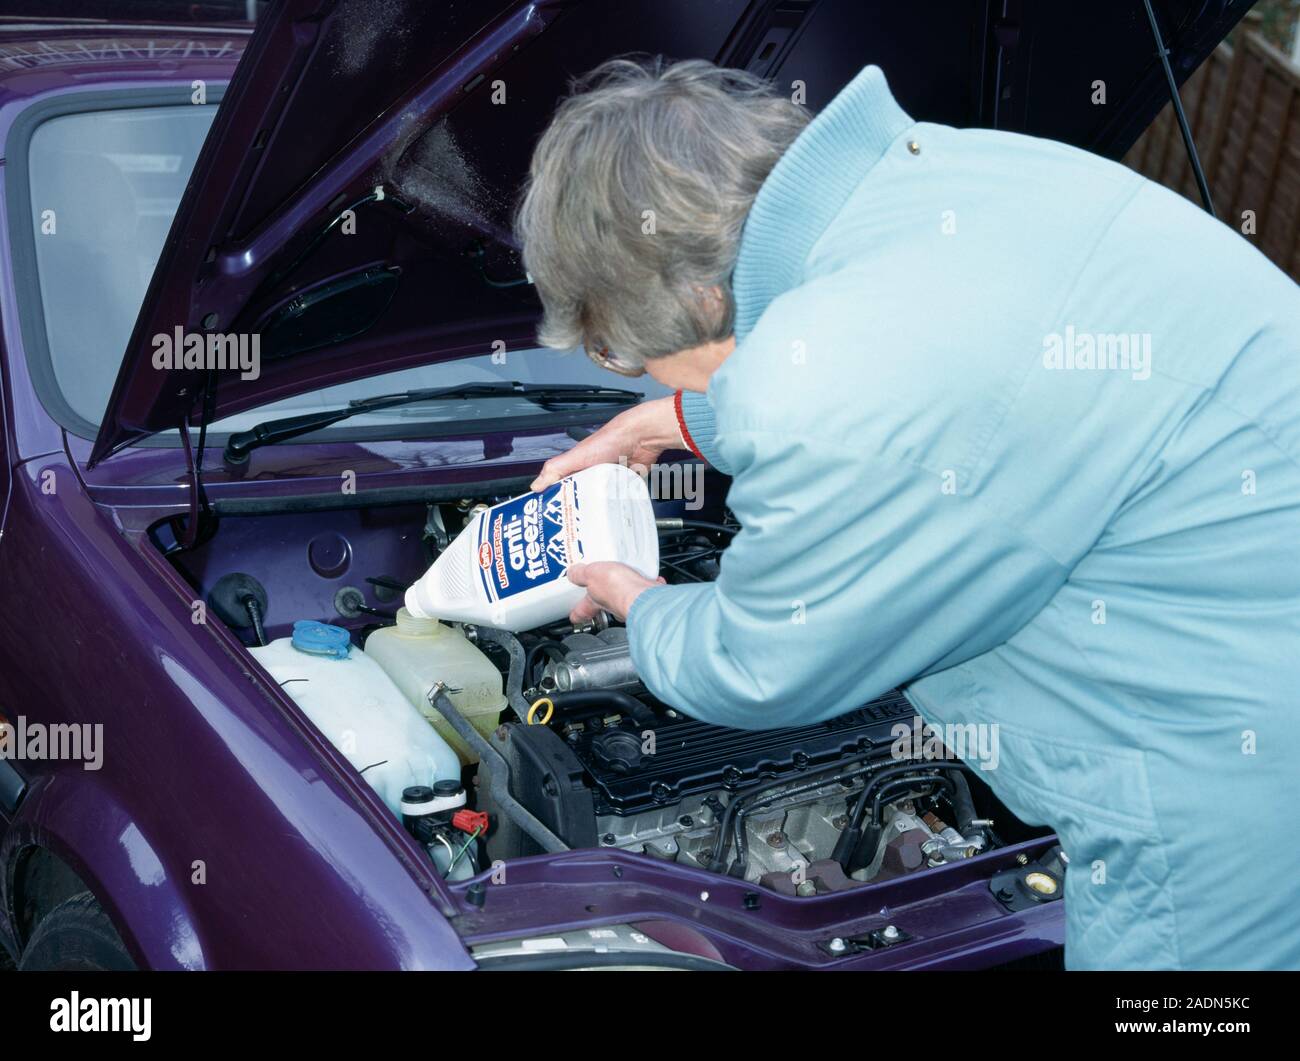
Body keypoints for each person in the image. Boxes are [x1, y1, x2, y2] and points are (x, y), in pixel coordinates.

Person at [514, 57, 1300, 969]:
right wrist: (691, 418)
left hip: (1231, 770)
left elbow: (762, 663)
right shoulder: (958, 177)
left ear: (694, 297)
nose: (637, 372)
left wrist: (637, 601)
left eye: (619, 350)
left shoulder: (823, 385)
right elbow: (968, 383)